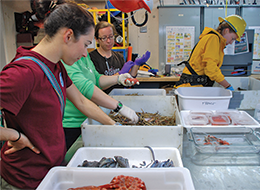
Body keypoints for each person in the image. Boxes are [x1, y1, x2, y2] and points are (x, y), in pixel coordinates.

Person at [0, 3, 133, 190]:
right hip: (24, 180)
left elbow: (81, 101)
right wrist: (15, 135)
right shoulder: (23, 72)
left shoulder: (56, 66)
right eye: (86, 44)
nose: (85, 53)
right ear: (68, 36)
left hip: (50, 171)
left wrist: (115, 126)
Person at [62, 54, 139, 150]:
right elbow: (85, 88)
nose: (85, 53)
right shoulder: (67, 59)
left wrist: (118, 79)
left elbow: (96, 79)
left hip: (92, 118)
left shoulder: (84, 56)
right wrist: (118, 107)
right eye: (86, 44)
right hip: (72, 125)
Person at [174, 15, 246, 90]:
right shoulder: (213, 39)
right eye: (232, 38)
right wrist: (227, 86)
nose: (231, 42)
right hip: (192, 88)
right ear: (226, 31)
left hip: (194, 88)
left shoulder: (214, 40)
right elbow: (211, 70)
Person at [89, 21, 150, 94]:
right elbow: (97, 86)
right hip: (102, 101)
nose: (109, 41)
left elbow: (128, 81)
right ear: (96, 39)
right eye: (104, 38)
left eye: (111, 37)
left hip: (119, 98)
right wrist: (119, 74)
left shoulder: (119, 57)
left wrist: (136, 64)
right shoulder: (91, 58)